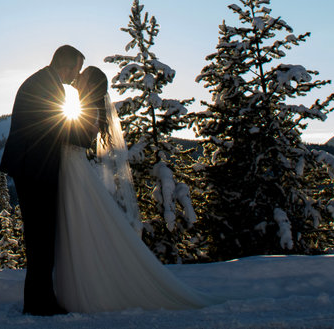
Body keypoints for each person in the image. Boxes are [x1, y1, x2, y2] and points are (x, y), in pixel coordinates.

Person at [54, 66, 215, 313]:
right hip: (71, 170)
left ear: (91, 85)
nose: (78, 78)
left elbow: (82, 138)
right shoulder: (83, 106)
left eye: (83, 77)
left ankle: (89, 288)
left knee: (81, 223)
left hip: (75, 171)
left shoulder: (91, 109)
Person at [0, 44, 85, 316]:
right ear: (67, 65)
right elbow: (57, 126)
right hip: (36, 171)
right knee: (41, 237)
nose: (76, 77)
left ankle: (39, 298)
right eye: (76, 70)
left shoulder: (41, 81)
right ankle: (39, 303)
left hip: (32, 168)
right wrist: (86, 135)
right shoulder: (47, 86)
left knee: (40, 236)